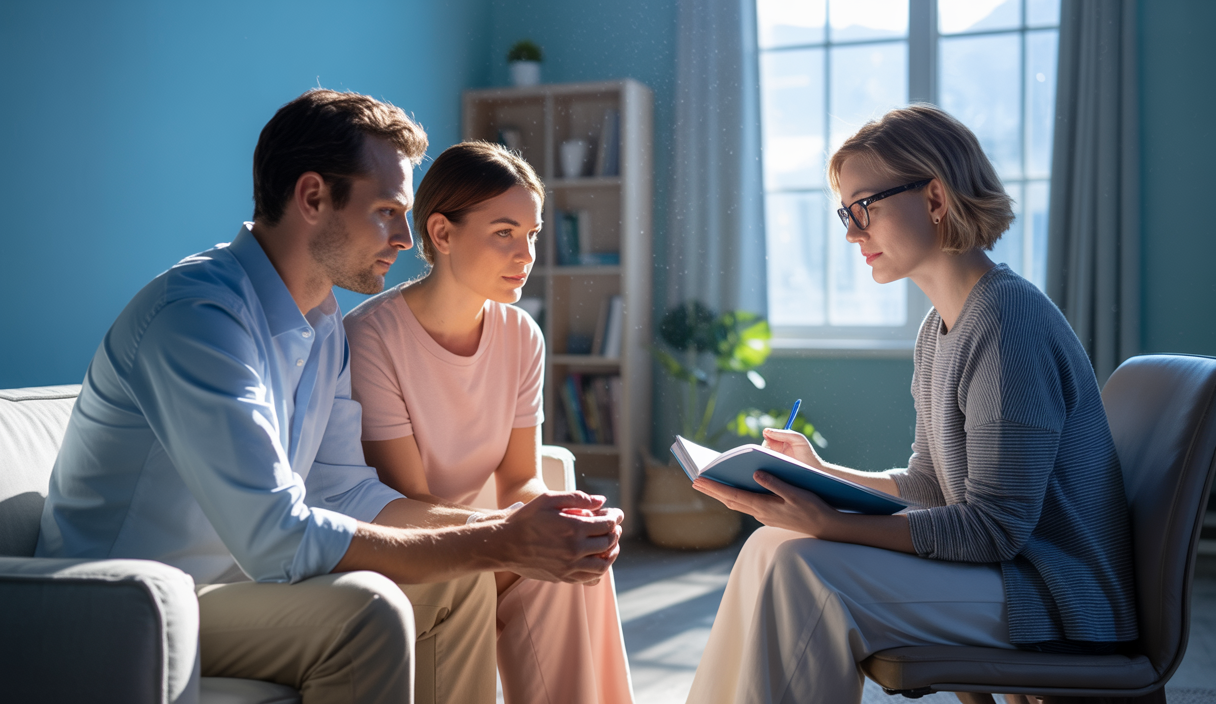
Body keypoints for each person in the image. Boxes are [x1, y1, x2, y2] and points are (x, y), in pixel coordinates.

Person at [35, 89, 623, 704]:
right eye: (388, 211)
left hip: (236, 587)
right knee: (367, 610)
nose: (405, 237)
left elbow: (347, 491)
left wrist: (508, 530)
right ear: (313, 197)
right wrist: (496, 539)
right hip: (131, 602)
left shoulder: (320, 325)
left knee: (460, 580)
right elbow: (276, 536)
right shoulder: (197, 318)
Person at [685, 105, 1138, 704]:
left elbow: (993, 529)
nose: (851, 232)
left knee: (808, 572)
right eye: (846, 213)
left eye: (863, 207)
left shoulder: (1008, 322)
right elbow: (929, 483)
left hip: (1052, 596)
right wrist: (821, 474)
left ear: (934, 199)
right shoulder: (940, 328)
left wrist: (834, 523)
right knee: (772, 545)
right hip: (1008, 577)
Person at [343, 141, 634, 704]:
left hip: (489, 532)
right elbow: (409, 501)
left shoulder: (522, 335)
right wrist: (518, 538)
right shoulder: (372, 338)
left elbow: (520, 478)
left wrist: (559, 516)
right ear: (443, 234)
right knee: (557, 569)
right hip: (411, 548)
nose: (525, 254)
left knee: (578, 564)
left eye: (532, 233)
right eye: (504, 232)